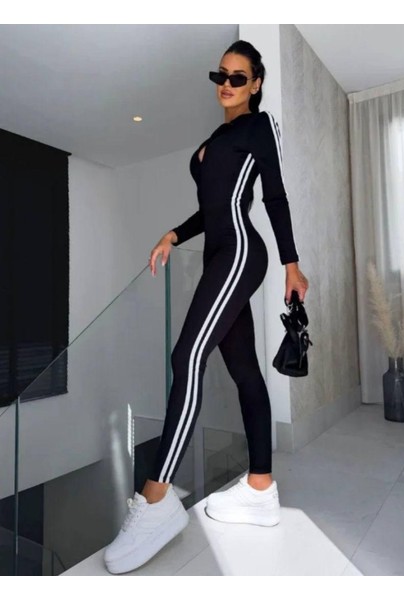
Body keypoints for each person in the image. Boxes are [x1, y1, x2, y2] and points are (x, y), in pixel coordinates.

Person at [104, 40, 309, 574]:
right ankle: (260, 490)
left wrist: (291, 264)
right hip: (220, 252)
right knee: (244, 372)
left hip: (241, 251)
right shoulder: (215, 139)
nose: (227, 84)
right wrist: (173, 233)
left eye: (239, 77)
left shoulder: (258, 128)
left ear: (256, 84)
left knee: (186, 357)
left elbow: (274, 197)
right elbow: (210, 209)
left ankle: (156, 499)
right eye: (222, 75)